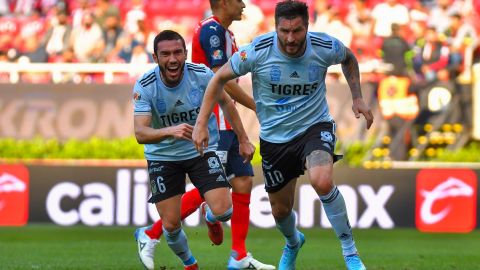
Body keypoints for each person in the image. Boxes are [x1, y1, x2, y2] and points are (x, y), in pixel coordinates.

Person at [192, 1, 373, 270]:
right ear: (276, 27)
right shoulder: (258, 51)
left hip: (315, 126)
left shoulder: (323, 46)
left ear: (307, 27)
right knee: (280, 211)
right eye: (284, 31)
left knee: (322, 181)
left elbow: (348, 58)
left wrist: (357, 97)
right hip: (275, 139)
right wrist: (201, 123)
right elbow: (217, 79)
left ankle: (351, 254)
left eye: (297, 31)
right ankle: (292, 242)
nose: (290, 38)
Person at [135, 1, 275, 270]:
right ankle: (153, 232)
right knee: (213, 187)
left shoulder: (226, 33)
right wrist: (258, 107)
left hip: (227, 121)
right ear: (223, 2)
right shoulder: (211, 32)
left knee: (243, 180)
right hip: (212, 124)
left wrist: (244, 133)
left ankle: (239, 254)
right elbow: (220, 83)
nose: (244, 3)